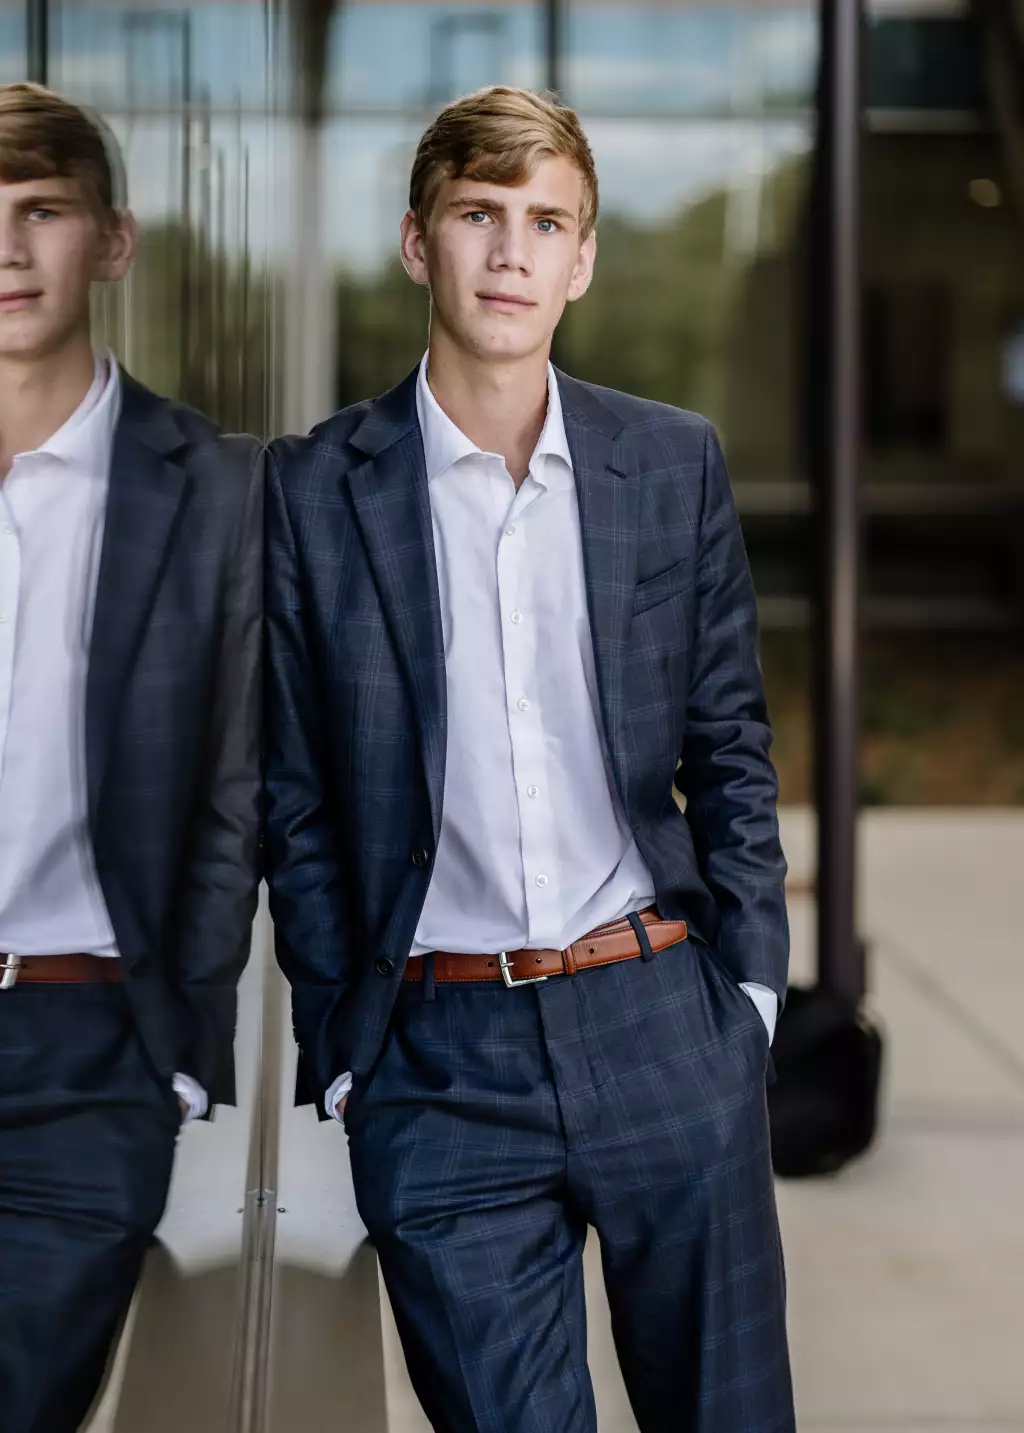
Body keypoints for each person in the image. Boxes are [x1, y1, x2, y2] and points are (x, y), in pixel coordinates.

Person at [266, 84, 793, 1433]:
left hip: (661, 1011)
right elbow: (293, 792)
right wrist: (346, 1048)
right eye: (478, 215)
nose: (511, 251)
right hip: (439, 1067)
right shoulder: (312, 493)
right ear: (416, 242)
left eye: (545, 221)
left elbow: (728, 740)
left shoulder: (669, 466)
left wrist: (749, 998)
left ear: (584, 258)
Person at [0, 83, 262, 1432]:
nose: (7, 251)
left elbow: (234, 792)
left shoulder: (212, 487)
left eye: (40, 212)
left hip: (85, 1052)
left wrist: (176, 1051)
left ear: (112, 240)